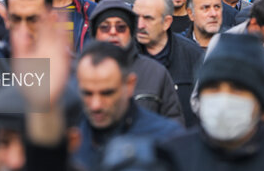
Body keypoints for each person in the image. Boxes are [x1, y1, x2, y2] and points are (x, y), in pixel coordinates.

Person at [159, 34, 264, 171]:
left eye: (237, 89)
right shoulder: (171, 156)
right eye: (214, 87)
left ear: (261, 99)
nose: (224, 99)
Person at [73, 41, 182, 169]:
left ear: (130, 84)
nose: (96, 105)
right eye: (87, 93)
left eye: (107, 93)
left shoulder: (166, 138)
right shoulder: (66, 139)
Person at [89, 0, 184, 123]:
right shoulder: (78, 73)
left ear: (131, 32)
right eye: (105, 27)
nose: (113, 32)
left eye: (121, 27)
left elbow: (174, 125)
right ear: (95, 33)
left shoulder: (155, 73)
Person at [133, 0, 204, 126]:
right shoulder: (124, 57)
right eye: (136, 17)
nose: (140, 25)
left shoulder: (193, 56)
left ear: (166, 22)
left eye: (148, 18)